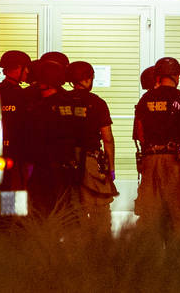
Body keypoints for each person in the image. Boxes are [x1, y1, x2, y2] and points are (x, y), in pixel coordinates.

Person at [134, 56, 180, 236]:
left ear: (158, 77)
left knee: (150, 214)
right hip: (176, 163)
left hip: (150, 160)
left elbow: (140, 133)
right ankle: (179, 259)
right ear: (176, 76)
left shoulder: (145, 99)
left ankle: (150, 258)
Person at [22, 59, 78, 219]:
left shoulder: (40, 108)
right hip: (67, 169)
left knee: (40, 212)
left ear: (45, 82)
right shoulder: (70, 102)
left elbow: (34, 139)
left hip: (44, 169)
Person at [65, 60, 116, 232]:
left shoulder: (61, 100)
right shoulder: (97, 103)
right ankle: (99, 251)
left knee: (72, 210)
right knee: (99, 212)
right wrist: (111, 168)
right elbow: (107, 138)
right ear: (87, 79)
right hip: (90, 162)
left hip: (65, 162)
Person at [0, 50, 33, 196]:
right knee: (16, 192)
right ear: (18, 68)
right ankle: (13, 218)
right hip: (18, 156)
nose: (28, 71)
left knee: (4, 190)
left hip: (0, 152)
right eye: (26, 68)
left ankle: (4, 218)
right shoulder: (22, 95)